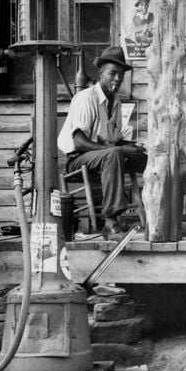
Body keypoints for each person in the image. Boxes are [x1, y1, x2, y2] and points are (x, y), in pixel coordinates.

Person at [57, 45, 148, 239]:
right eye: (112, 74)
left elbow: (113, 139)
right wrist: (117, 148)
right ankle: (110, 222)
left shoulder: (116, 102)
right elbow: (79, 142)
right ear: (101, 74)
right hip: (78, 158)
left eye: (121, 75)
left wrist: (130, 146)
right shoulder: (85, 98)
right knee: (114, 154)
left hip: (104, 155)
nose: (117, 79)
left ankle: (164, 215)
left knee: (147, 157)